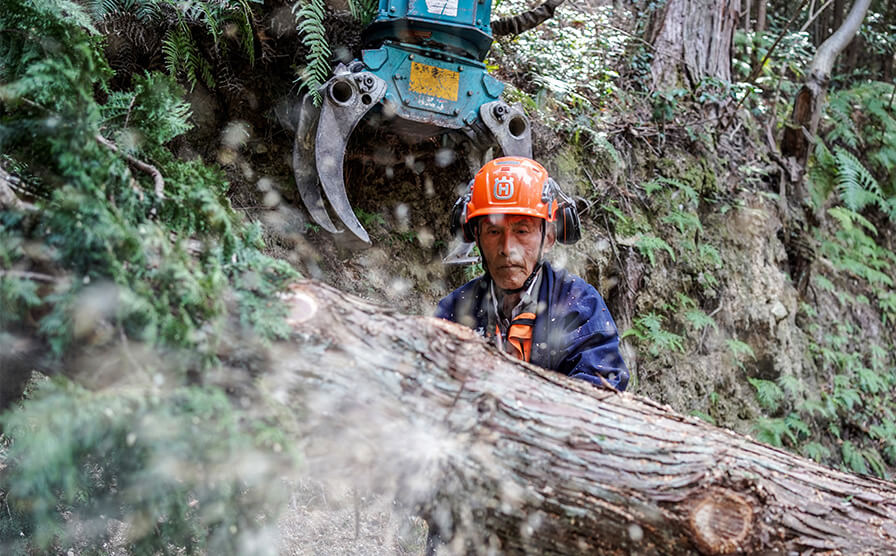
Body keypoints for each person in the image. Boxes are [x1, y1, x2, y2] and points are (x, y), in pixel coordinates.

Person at [436, 156, 629, 390]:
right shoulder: (456, 309)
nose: (507, 249)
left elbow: (600, 387)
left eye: (522, 231)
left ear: (548, 238)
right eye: (494, 232)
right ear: (476, 237)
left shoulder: (578, 306)